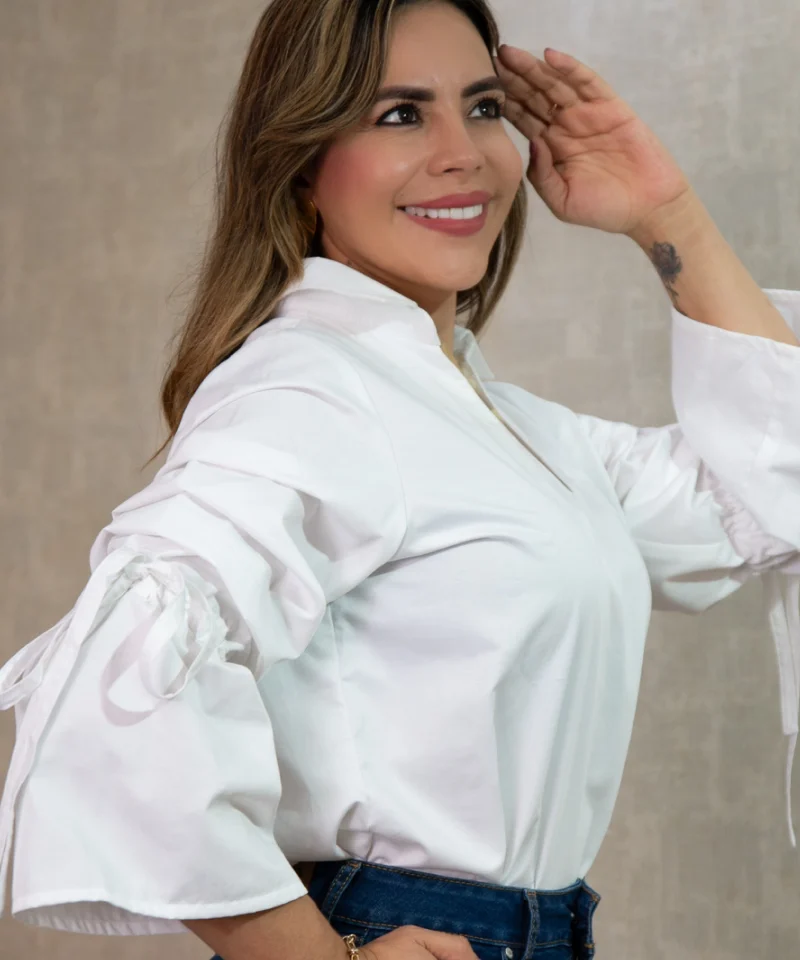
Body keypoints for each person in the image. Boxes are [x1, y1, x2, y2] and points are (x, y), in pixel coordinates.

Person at [1, 0, 798, 958]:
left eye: (485, 107)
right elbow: (117, 688)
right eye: (400, 114)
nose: (463, 153)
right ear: (301, 167)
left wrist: (668, 216)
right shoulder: (308, 388)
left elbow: (769, 487)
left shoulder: (505, 426)